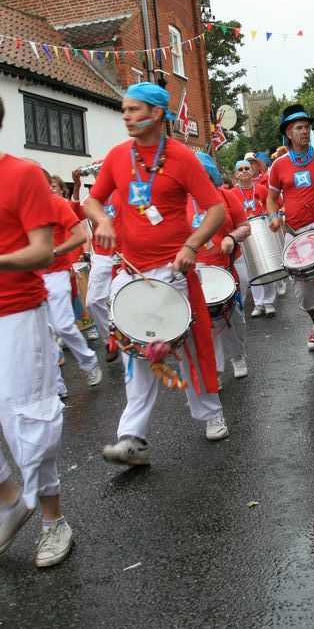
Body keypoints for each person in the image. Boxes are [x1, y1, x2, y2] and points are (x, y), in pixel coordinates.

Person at [83, 82, 229, 466]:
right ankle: (133, 438)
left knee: (191, 349)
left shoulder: (182, 158)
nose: (126, 116)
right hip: (131, 271)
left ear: (157, 113)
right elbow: (92, 200)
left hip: (174, 271)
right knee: (140, 353)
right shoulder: (117, 157)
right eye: (124, 110)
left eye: (134, 109)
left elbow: (215, 209)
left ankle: (210, 413)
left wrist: (191, 246)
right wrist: (103, 222)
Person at [0, 98, 74, 567]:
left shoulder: (22, 174)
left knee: (30, 420)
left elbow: (43, 252)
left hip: (16, 314)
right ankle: (11, 499)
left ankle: (53, 521)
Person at [266, 104, 314, 366]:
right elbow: (271, 198)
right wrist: (273, 216)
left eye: (307, 126)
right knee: (303, 294)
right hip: (295, 236)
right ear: (288, 132)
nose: (304, 131)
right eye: (298, 127)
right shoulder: (278, 165)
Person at [187, 153, 251, 382]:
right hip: (200, 270)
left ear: (210, 175)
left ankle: (237, 355)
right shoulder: (183, 202)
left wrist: (232, 237)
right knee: (207, 320)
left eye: (201, 173)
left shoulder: (226, 196)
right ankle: (216, 368)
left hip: (230, 263)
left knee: (233, 316)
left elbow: (245, 227)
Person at [42, 173, 102, 397]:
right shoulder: (19, 207)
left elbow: (80, 235)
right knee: (44, 332)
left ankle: (88, 361)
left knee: (62, 326)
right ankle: (57, 386)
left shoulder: (57, 203)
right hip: (31, 276)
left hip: (57, 272)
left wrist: (54, 252)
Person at [71, 167, 121, 363]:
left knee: (124, 300)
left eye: (103, 174)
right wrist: (76, 185)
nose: (100, 178)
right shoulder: (93, 197)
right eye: (97, 175)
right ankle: (110, 338)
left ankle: (131, 336)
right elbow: (75, 213)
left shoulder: (121, 192)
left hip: (124, 255)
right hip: (101, 255)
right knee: (93, 302)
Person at [231, 158, 277, 316]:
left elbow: (273, 206)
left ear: (252, 172)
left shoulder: (262, 189)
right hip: (244, 234)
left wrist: (271, 217)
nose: (244, 171)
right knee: (252, 268)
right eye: (240, 169)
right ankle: (259, 303)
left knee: (267, 266)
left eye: (247, 168)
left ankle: (269, 302)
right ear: (236, 175)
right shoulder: (232, 194)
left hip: (262, 232)